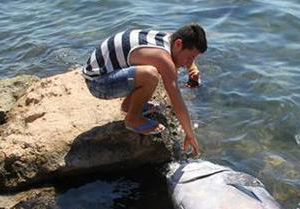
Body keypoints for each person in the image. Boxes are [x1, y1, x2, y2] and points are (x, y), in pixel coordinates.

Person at [82, 23, 207, 156]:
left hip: (102, 72)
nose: (188, 62)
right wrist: (190, 134)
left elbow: (183, 51)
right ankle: (132, 118)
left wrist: (191, 67)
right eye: (190, 58)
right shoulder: (163, 58)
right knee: (150, 75)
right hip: (98, 84)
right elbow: (177, 100)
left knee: (155, 72)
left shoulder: (170, 38)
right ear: (178, 44)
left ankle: (129, 105)